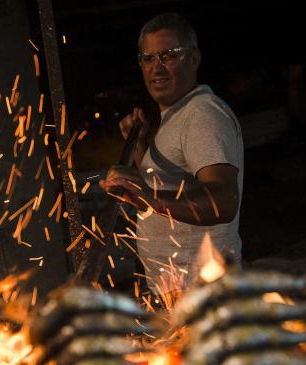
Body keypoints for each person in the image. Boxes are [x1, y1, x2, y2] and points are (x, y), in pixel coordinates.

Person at [99, 12, 243, 296]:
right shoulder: (178, 115)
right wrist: (139, 148)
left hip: (206, 296)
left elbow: (223, 202)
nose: (158, 68)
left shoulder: (202, 114)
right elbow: (166, 188)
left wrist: (147, 197)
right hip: (182, 296)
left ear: (194, 59)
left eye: (170, 55)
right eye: (148, 58)